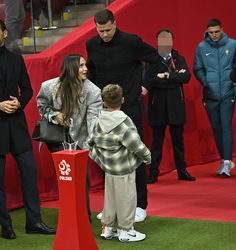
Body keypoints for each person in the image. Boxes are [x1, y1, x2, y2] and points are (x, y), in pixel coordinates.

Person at [0, 18, 56, 239]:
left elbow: (26, 89)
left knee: (29, 172)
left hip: (16, 125)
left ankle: (34, 221)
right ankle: (5, 225)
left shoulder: (16, 59)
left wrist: (19, 102)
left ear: (5, 34)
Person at [86, 9, 161, 222]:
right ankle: (113, 206)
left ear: (115, 24)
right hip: (104, 111)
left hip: (130, 108)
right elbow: (91, 71)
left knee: (134, 157)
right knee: (107, 158)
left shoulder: (131, 42)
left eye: (108, 30)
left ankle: (140, 205)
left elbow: (155, 59)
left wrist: (146, 85)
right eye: (101, 31)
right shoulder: (91, 45)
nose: (105, 34)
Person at [36, 54, 102, 222]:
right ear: (70, 68)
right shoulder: (50, 86)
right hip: (57, 140)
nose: (85, 69)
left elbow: (93, 120)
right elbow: (42, 106)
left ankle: (83, 216)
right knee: (65, 178)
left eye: (85, 65)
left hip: (80, 140)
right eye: (81, 66)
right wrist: (55, 115)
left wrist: (89, 146)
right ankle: (68, 215)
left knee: (82, 180)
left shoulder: (93, 91)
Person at [88, 84, 151, 242]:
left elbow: (90, 142)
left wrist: (100, 158)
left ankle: (108, 228)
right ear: (122, 100)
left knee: (110, 199)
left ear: (103, 102)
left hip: (109, 169)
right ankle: (126, 231)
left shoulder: (98, 121)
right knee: (127, 198)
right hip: (124, 169)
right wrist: (147, 157)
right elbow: (135, 144)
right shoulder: (124, 123)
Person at [147, 29, 196, 184]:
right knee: (156, 143)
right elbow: (150, 80)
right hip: (157, 106)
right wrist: (175, 77)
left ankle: (182, 171)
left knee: (178, 142)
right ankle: (153, 173)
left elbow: (186, 76)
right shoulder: (152, 60)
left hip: (176, 105)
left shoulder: (179, 58)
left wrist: (167, 75)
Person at [193, 18, 236, 176]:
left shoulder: (233, 45)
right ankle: (224, 160)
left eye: (217, 32)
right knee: (216, 128)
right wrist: (205, 82)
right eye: (211, 33)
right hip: (210, 95)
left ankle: (226, 162)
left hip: (227, 93)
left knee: (226, 126)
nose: (214, 35)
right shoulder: (201, 47)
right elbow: (197, 69)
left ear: (222, 29)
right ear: (207, 32)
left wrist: (233, 84)